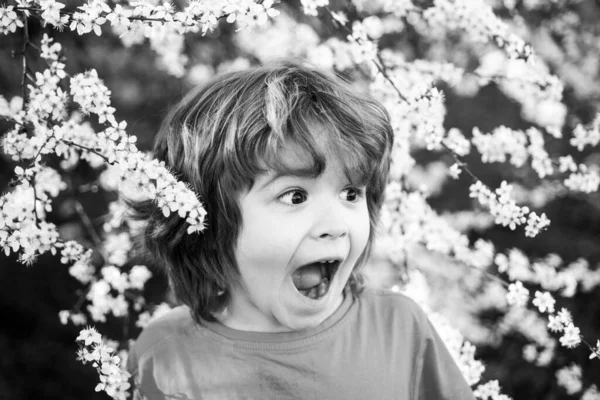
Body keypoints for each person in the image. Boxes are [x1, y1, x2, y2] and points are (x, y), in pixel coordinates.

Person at [127, 60, 475, 400]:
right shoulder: (164, 356)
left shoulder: (399, 330)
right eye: (295, 196)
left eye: (351, 193)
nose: (336, 225)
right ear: (205, 222)